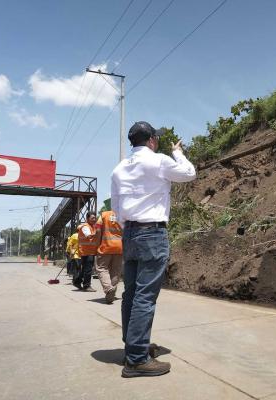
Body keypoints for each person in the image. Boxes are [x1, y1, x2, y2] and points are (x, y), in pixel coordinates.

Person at [111, 121, 196, 378]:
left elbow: (116, 207)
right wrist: (178, 152)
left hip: (130, 233)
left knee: (131, 294)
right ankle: (137, 360)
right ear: (151, 140)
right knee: (145, 297)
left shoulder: (118, 169)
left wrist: (130, 227)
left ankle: (134, 346)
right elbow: (189, 173)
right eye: (155, 138)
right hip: (151, 233)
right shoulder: (158, 160)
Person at [95, 208, 123, 304]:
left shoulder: (104, 215)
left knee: (101, 268)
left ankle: (108, 288)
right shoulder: (124, 215)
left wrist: (97, 244)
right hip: (120, 247)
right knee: (116, 270)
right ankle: (111, 294)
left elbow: (98, 230)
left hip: (106, 246)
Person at [74, 211, 99, 292]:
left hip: (90, 251)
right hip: (86, 251)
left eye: (95, 218)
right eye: (92, 218)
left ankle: (77, 281)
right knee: (88, 269)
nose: (94, 219)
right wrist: (97, 233)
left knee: (85, 268)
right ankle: (86, 286)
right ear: (87, 218)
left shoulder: (93, 226)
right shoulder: (85, 227)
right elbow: (88, 236)